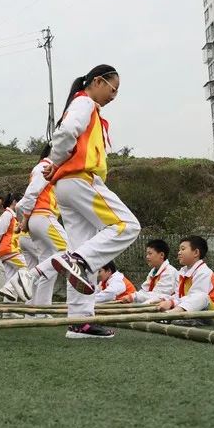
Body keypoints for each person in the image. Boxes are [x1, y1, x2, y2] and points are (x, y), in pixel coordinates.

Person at [37, 65, 141, 339]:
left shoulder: (87, 107)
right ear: (98, 81)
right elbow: (64, 133)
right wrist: (55, 160)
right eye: (113, 89)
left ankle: (80, 322)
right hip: (81, 180)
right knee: (127, 226)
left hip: (67, 186)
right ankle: (77, 261)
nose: (114, 96)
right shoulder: (84, 102)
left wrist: (55, 164)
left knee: (84, 248)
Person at [12, 145, 69, 306]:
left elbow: (22, 204)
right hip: (43, 217)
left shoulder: (46, 168)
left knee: (49, 266)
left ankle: (40, 310)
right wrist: (25, 219)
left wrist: (24, 221)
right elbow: (27, 198)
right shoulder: (45, 167)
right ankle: (25, 278)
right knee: (69, 251)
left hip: (39, 219)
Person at [157, 236, 214, 325]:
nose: (179, 253)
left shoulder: (204, 272)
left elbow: (196, 298)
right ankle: (174, 317)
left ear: (196, 253)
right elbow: (178, 295)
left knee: (202, 296)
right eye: (179, 250)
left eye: (183, 249)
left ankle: (170, 315)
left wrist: (171, 303)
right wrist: (166, 301)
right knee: (169, 309)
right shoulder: (182, 272)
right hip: (197, 312)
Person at [0, 193, 34, 303]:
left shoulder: (14, 216)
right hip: (10, 249)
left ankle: (8, 308)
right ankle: (8, 288)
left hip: (7, 250)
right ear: (14, 202)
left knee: (11, 277)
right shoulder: (7, 214)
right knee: (27, 269)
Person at [119, 239, 178, 304]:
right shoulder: (154, 271)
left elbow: (158, 295)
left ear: (161, 255)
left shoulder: (169, 272)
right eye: (147, 254)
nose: (147, 257)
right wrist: (133, 296)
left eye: (150, 254)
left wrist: (133, 297)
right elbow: (145, 290)